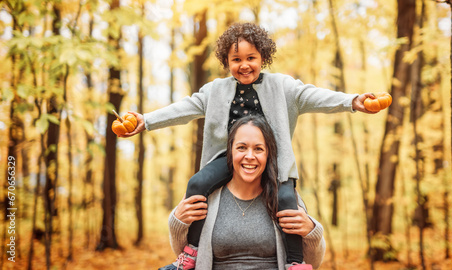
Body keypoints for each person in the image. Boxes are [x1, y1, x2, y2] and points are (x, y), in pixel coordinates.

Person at [122, 22, 377, 269]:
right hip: (230, 158)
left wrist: (353, 101)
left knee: (288, 200)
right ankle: (192, 251)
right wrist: (146, 121)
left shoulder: (282, 87)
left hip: (273, 161)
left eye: (251, 58)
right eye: (236, 60)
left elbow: (314, 96)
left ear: (263, 57)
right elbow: (185, 108)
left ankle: (295, 263)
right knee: (196, 184)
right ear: (227, 62)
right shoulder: (215, 91)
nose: (244, 65)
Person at [162, 115, 326, 270]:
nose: (249, 156)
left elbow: (313, 263)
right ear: (230, 150)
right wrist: (177, 222)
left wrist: (312, 232)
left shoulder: (285, 198)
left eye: (258, 149)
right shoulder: (208, 197)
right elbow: (183, 257)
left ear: (268, 153)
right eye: (241, 147)